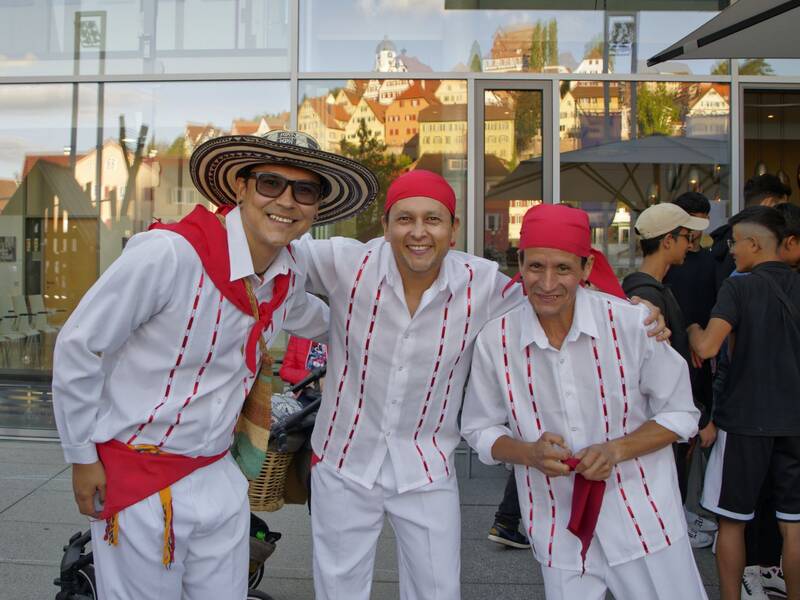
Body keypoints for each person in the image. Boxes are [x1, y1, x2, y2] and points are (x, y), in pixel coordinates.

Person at [296, 171, 669, 600]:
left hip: (426, 466)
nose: (418, 232)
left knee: (437, 590)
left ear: (454, 230)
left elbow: (552, 295)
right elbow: (276, 253)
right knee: (337, 588)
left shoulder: (483, 282)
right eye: (405, 219)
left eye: (433, 220)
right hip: (343, 459)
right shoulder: (346, 262)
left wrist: (631, 307)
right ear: (384, 227)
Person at [51, 130, 378, 599]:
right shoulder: (170, 254)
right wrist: (82, 458)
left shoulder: (285, 276)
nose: (286, 200)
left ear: (315, 209)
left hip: (220, 473)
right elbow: (79, 346)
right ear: (241, 188)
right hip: (140, 476)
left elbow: (330, 322)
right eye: (270, 183)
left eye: (304, 190)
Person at [462, 203, 707, 600]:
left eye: (562, 268)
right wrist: (529, 453)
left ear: (586, 269)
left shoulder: (632, 323)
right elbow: (479, 428)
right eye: (535, 266)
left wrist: (616, 449)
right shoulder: (497, 339)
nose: (546, 282)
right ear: (519, 263)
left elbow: (681, 413)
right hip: (557, 525)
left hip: (643, 518)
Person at [687, 206, 800, 600]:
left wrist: (691, 326)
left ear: (754, 244)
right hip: (796, 422)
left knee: (731, 522)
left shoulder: (739, 287)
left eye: (735, 243)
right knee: (795, 523)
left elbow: (707, 345)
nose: (731, 251)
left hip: (745, 423)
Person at [621, 203, 712, 548]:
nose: (692, 245)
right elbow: (650, 373)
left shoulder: (650, 288)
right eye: (688, 237)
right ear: (668, 240)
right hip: (661, 425)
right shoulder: (645, 295)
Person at [710, 174, 791, 290]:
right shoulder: (744, 274)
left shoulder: (721, 241)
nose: (784, 216)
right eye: (781, 208)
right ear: (769, 203)